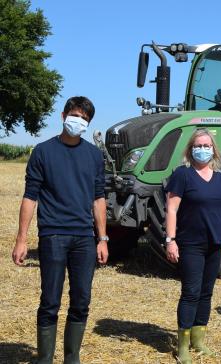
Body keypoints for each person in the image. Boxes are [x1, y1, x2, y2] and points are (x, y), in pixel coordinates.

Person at [12, 96, 109, 364]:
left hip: (84, 239)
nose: (80, 122)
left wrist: (102, 238)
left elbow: (98, 198)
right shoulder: (43, 152)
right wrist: (21, 240)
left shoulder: (93, 155)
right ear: (63, 115)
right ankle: (45, 359)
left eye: (85, 120)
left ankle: (71, 357)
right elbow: (30, 197)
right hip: (53, 235)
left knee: (81, 300)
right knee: (50, 301)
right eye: (76, 116)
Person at [164, 128, 221, 364]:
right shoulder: (183, 175)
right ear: (190, 149)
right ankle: (183, 346)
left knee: (206, 293)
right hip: (190, 244)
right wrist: (171, 240)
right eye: (198, 145)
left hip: (215, 243)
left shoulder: (220, 177)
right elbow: (172, 209)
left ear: (213, 150)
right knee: (191, 292)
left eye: (207, 146)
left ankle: (199, 340)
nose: (203, 149)